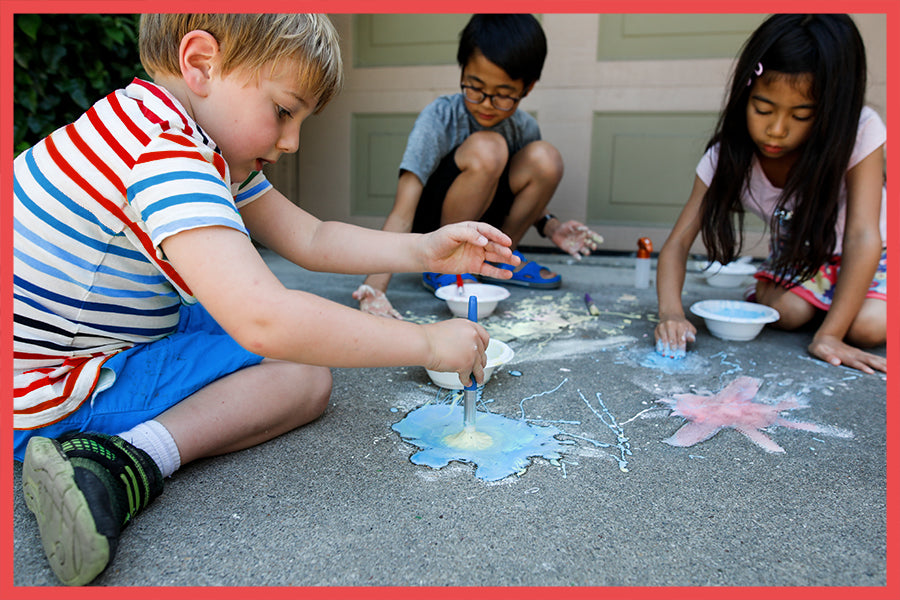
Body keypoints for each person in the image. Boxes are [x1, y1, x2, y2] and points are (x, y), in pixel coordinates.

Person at [14, 14, 519, 586]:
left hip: (52, 348)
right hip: (48, 390)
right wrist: (428, 341)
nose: (291, 141)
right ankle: (122, 461)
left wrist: (426, 251)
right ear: (201, 63)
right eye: (284, 111)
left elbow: (310, 237)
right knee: (302, 374)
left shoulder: (157, 125)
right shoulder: (167, 152)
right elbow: (263, 319)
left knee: (284, 322)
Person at [654, 14, 886, 374]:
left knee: (866, 327)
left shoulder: (860, 130)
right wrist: (671, 314)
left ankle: (838, 313)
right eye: (763, 109)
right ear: (744, 95)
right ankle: (824, 304)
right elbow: (677, 244)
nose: (776, 130)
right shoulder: (727, 157)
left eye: (801, 115)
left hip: (875, 255)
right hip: (804, 257)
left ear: (830, 112)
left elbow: (863, 235)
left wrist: (830, 335)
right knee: (786, 313)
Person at [354, 14, 603, 320]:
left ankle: (496, 259)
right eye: (474, 87)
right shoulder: (439, 118)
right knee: (489, 148)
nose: (486, 104)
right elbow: (403, 212)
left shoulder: (523, 128)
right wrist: (374, 286)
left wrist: (551, 227)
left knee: (545, 158)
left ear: (527, 87)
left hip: (486, 222)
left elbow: (518, 195)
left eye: (502, 95)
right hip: (437, 227)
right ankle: (445, 263)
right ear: (463, 71)